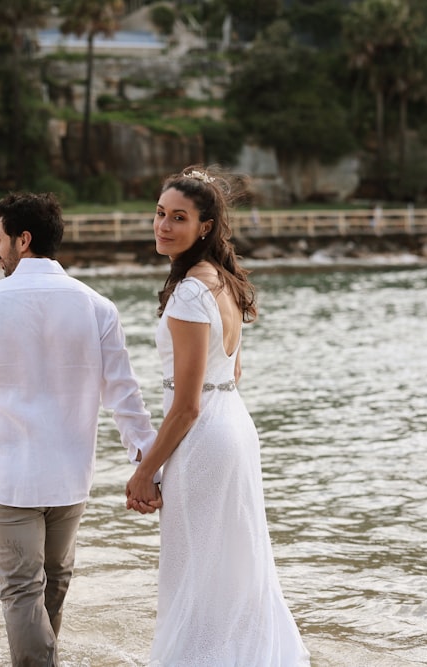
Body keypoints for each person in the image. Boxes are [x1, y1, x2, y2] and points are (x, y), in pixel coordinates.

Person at [0, 191, 159, 667]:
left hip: (9, 478)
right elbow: (124, 396)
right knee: (54, 583)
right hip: (70, 479)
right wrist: (147, 462)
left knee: (24, 590)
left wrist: (8, 433)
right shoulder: (97, 307)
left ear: (23, 241)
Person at [125, 166, 310, 666]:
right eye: (160, 214)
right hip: (233, 427)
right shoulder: (222, 281)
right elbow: (234, 371)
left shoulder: (189, 292)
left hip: (205, 436)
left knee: (198, 570)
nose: (163, 226)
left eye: (178, 218)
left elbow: (187, 405)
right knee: (232, 564)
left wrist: (145, 472)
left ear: (204, 227)